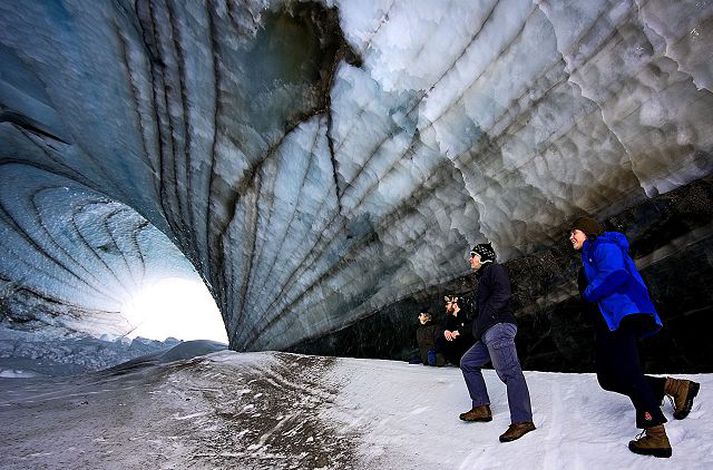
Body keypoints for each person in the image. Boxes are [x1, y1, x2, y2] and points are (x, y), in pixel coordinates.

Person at [570, 216, 700, 458]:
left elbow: (616, 274)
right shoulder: (589, 256)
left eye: (574, 232)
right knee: (608, 378)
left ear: (588, 232)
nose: (571, 237)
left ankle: (656, 435)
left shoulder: (603, 246)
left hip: (624, 314)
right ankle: (675, 387)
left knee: (628, 373)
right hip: (611, 321)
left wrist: (588, 292)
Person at [459, 243, 535, 442]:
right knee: (468, 362)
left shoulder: (494, 269)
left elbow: (503, 293)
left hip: (498, 327)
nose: (470, 259)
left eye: (473, 255)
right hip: (487, 333)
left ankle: (523, 420)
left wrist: (488, 315)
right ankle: (481, 407)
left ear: (483, 257)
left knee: (510, 372)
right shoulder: (484, 277)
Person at [439, 295, 474, 365]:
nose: (446, 306)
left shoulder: (466, 314)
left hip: (466, 354)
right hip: (454, 357)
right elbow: (440, 329)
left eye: (448, 304)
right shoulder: (448, 317)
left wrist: (459, 332)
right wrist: (445, 331)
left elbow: (472, 327)